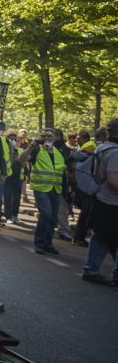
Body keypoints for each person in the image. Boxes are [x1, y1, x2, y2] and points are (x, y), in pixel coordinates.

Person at [81, 117, 118, 285]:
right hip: (111, 201)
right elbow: (112, 180)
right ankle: (93, 270)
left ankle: (91, 268)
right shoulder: (115, 152)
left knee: (100, 235)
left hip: (100, 198)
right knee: (102, 236)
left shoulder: (102, 148)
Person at [18, 128, 67, 254]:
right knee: (46, 214)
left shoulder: (58, 152)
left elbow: (64, 170)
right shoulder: (37, 150)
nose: (46, 138)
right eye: (44, 136)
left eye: (49, 136)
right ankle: (39, 243)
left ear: (55, 138)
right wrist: (30, 147)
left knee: (53, 217)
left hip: (56, 189)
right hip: (41, 189)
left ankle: (47, 244)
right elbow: (21, 159)